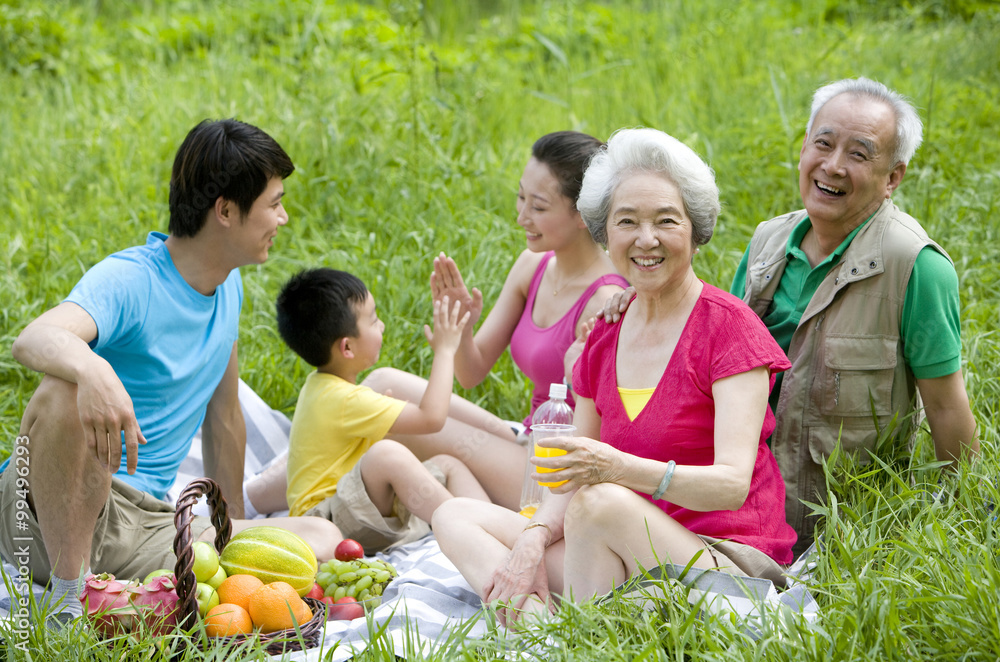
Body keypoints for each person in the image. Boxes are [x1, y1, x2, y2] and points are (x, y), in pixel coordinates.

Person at [434, 128, 797, 626]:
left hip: (722, 563)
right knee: (455, 515)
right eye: (627, 222)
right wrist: (533, 541)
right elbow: (567, 476)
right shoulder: (605, 335)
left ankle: (583, 635)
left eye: (666, 221)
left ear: (695, 230)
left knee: (600, 502)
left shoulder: (728, 328)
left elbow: (731, 485)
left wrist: (615, 469)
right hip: (616, 547)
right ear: (605, 233)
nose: (645, 240)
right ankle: (541, 626)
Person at [605, 78, 980, 556]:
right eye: (823, 144)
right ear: (803, 148)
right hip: (736, 511)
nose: (833, 165)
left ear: (894, 177)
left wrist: (961, 523)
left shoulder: (916, 266)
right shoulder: (767, 242)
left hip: (844, 534)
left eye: (860, 154)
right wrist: (632, 298)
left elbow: (947, 408)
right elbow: (710, 343)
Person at [0, 119, 342, 623]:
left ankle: (105, 594)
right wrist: (95, 372)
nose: (284, 217)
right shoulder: (130, 280)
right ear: (225, 210)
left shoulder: (228, 287)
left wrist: (237, 537)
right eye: (274, 203)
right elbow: (33, 339)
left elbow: (225, 418)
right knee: (63, 389)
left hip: (146, 522)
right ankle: (67, 605)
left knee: (320, 541)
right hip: (45, 511)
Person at [360, 131, 630, 510]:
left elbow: (610, 431)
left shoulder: (604, 302)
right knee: (379, 385)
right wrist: (460, 331)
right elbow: (471, 373)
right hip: (525, 436)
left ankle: (294, 506)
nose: (522, 216)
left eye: (538, 206)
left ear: (585, 214)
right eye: (521, 197)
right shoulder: (533, 265)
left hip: (555, 474)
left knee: (383, 416)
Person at [275, 268, 489, 551]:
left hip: (348, 510)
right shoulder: (343, 400)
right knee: (386, 455)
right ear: (347, 347)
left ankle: (493, 525)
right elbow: (432, 418)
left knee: (450, 466)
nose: (383, 325)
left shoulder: (325, 388)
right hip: (323, 522)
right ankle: (473, 538)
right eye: (374, 320)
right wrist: (445, 350)